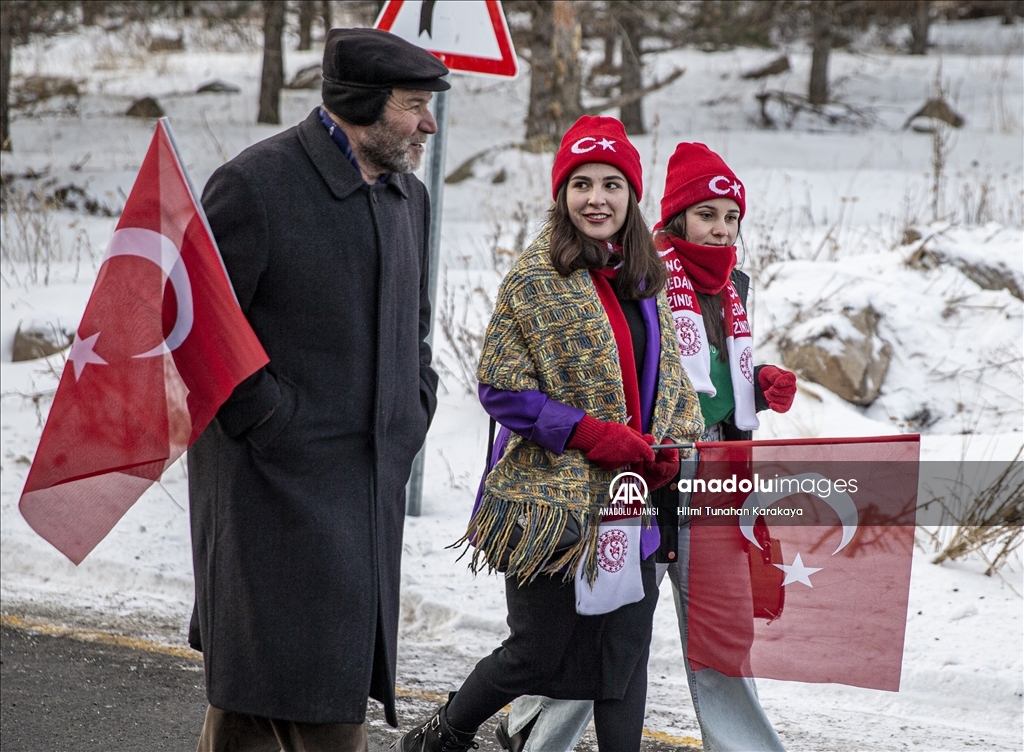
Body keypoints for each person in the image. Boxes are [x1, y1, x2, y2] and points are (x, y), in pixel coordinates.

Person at [396, 116, 703, 752]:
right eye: (581, 184)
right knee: (537, 651)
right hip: (551, 501)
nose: (597, 199)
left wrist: (669, 446)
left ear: (632, 194)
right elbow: (501, 387)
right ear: (562, 194)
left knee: (623, 657)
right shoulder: (535, 279)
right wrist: (593, 434)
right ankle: (444, 734)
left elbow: (671, 376)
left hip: (633, 499)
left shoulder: (646, 277)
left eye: (612, 184)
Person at [186, 28, 445, 752]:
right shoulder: (253, 185)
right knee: (304, 702)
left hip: (364, 497)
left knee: (256, 708)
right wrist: (273, 420)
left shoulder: (409, 197)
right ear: (360, 103)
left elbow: (416, 326)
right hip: (269, 497)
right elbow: (198, 331)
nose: (428, 124)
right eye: (414, 105)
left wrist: (413, 405)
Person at [498, 143, 797, 752]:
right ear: (675, 217)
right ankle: (535, 730)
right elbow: (648, 378)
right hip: (643, 470)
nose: (720, 229)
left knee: (721, 629)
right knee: (609, 626)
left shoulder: (733, 286)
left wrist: (759, 384)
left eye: (731, 217)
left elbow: (714, 379)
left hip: (715, 477)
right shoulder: (642, 274)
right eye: (706, 215)